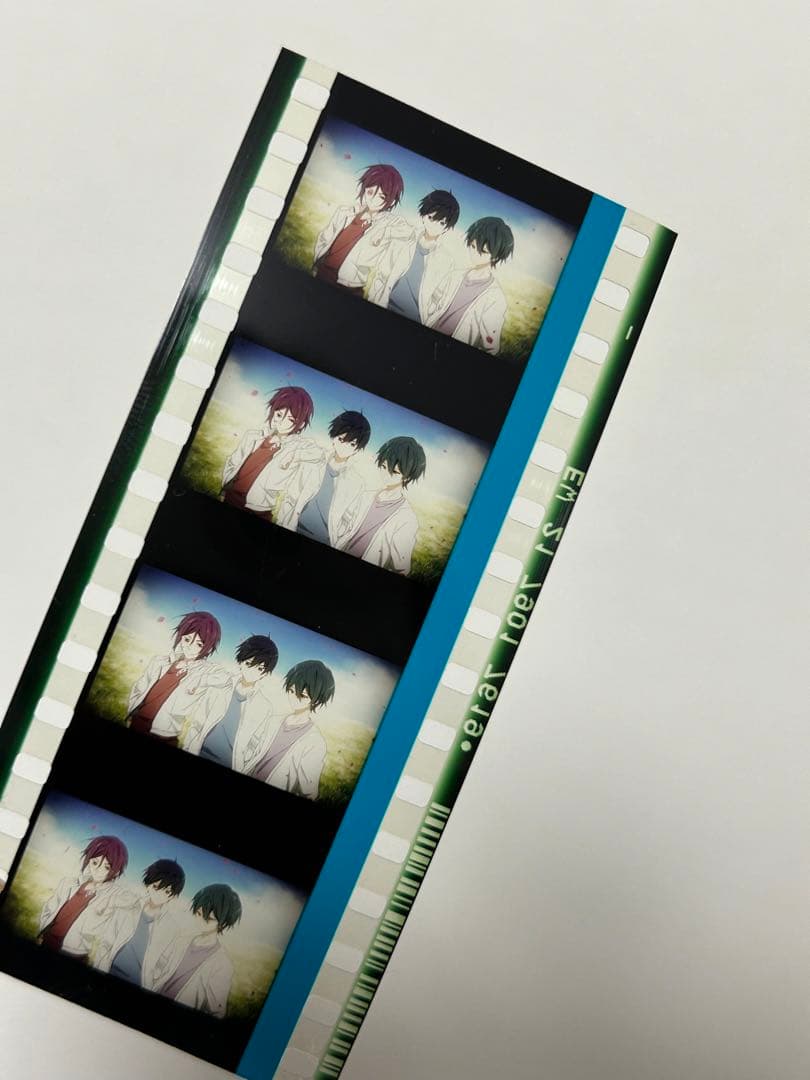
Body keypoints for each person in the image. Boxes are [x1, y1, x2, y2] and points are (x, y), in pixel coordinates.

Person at [221, 386, 321, 523]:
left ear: (301, 424)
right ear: (273, 411)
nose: (281, 422)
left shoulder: (294, 448)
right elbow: (233, 462)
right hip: (230, 498)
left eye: (290, 420)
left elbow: (318, 453)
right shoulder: (252, 436)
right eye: (279, 415)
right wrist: (224, 489)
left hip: (258, 510)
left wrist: (296, 453)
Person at [126, 611, 225, 746]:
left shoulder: (202, 673)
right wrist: (132, 712)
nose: (190, 647)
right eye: (187, 640)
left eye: (199, 644)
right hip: (137, 722)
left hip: (164, 735)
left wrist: (199, 668)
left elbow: (224, 678)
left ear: (208, 649)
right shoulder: (160, 661)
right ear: (180, 636)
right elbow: (140, 687)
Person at [184, 634, 278, 773]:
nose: (252, 672)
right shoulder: (221, 686)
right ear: (240, 662)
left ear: (265, 673)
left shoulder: (264, 707)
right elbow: (198, 722)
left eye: (259, 668)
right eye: (248, 664)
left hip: (230, 764)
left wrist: (242, 764)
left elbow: (254, 744)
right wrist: (188, 748)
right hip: (199, 751)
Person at [368, 189, 460, 323]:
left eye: (441, 223)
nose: (434, 225)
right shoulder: (404, 240)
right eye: (431, 218)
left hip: (415, 318)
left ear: (447, 227)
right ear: (423, 216)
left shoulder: (446, 260)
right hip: (385, 305)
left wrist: (427, 318)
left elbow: (438, 297)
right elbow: (382, 274)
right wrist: (373, 301)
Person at [337, 436, 426, 575]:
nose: (386, 474)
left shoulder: (406, 519)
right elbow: (342, 528)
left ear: (408, 476)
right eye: (383, 467)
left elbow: (401, 568)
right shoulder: (366, 496)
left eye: (394, 472)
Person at [313, 164, 407, 295]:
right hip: (322, 273)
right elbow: (325, 237)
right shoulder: (345, 212)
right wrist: (317, 263)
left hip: (349, 287)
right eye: (370, 192)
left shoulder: (384, 226)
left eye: (381, 197)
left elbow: (406, 230)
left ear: (390, 202)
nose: (373, 199)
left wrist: (385, 221)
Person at [426, 216, 514, 354]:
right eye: (473, 246)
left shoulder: (495, 298)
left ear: (496, 256)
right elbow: (431, 304)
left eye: (483, 251)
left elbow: (490, 346)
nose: (474, 253)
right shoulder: (455, 276)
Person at [246, 660, 334, 799]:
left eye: (302, 695)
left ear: (316, 700)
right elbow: (250, 752)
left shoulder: (315, 742)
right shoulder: (273, 720)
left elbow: (309, 791)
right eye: (292, 691)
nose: (294, 698)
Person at [95, 859, 185, 991]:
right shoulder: (128, 906)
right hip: (108, 971)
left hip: (138, 984)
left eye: (167, 892)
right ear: (147, 885)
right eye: (156, 887)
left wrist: (150, 981)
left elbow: (163, 964)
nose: (159, 895)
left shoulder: (171, 928)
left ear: (172, 896)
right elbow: (106, 942)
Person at [156, 884, 241, 1018]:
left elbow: (216, 1011)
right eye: (199, 913)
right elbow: (158, 969)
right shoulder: (181, 940)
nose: (201, 920)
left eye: (209, 919)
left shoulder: (222, 964)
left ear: (223, 924)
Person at [37, 836, 128, 961]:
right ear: (88, 860)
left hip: (74, 952)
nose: (98, 870)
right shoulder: (68, 883)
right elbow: (50, 907)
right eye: (95, 863)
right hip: (48, 940)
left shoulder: (110, 897)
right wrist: (43, 930)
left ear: (116, 872)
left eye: (107, 867)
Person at [294, 410, 371, 546]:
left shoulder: (356, 482)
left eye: (352, 444)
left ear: (358, 449)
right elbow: (293, 494)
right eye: (341, 439)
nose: (344, 447)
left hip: (324, 540)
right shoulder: (315, 460)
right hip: (295, 526)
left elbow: (348, 519)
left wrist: (335, 539)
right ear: (333, 437)